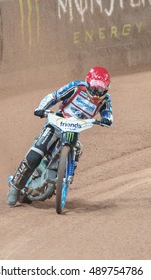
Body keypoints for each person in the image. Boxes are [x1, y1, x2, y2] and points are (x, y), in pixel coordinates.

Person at [7, 66, 113, 206]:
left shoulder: (105, 99)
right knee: (35, 155)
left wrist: (107, 119)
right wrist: (41, 108)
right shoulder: (76, 87)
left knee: (78, 150)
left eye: (101, 89)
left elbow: (108, 113)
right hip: (57, 122)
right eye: (95, 88)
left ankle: (65, 176)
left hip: (74, 129)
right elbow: (54, 96)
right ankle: (15, 187)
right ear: (87, 84)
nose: (97, 93)